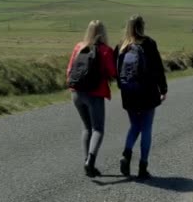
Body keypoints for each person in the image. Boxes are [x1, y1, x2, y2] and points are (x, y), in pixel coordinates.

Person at [116, 15, 168, 179]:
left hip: (128, 92)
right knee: (146, 129)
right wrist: (163, 88)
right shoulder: (149, 43)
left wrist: (123, 87)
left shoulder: (121, 45)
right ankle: (142, 166)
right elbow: (158, 68)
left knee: (134, 126)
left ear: (128, 27)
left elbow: (117, 72)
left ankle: (126, 154)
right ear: (142, 26)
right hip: (147, 92)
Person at [66, 20, 116, 177]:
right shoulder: (106, 50)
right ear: (103, 32)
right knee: (98, 129)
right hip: (95, 93)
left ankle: (87, 162)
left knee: (86, 127)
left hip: (76, 92)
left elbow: (69, 70)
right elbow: (113, 72)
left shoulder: (78, 47)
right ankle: (90, 161)